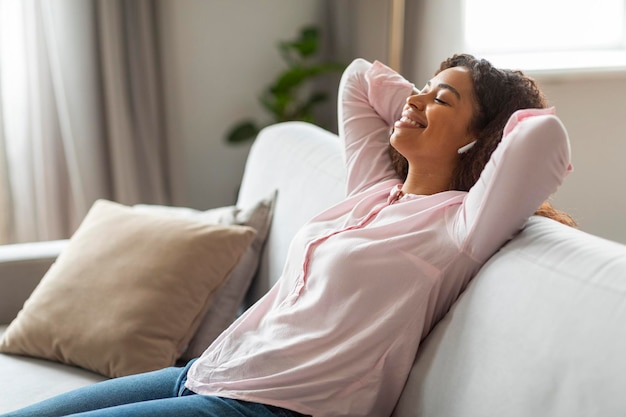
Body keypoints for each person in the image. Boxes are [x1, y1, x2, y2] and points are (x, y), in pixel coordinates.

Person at [2, 54, 573, 417]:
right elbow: (357, 79)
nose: (417, 99)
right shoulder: (373, 190)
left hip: (272, 408)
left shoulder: (458, 227)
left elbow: (543, 137)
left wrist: (482, 121)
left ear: (480, 139)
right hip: (207, 373)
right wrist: (425, 106)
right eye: (420, 88)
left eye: (440, 98)